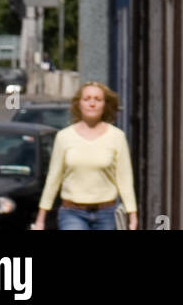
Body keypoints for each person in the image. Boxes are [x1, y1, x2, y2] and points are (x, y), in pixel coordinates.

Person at [32, 81, 137, 231]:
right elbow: (53, 179)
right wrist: (41, 218)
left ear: (105, 104)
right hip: (72, 213)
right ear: (79, 104)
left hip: (106, 213)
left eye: (97, 99)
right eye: (87, 99)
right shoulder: (64, 137)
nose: (92, 104)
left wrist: (132, 216)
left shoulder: (117, 137)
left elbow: (125, 180)